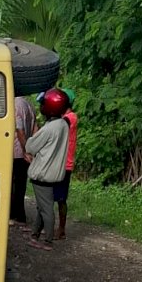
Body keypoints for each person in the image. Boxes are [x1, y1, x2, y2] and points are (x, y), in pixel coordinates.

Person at [24, 88, 70, 251]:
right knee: (43, 207)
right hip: (53, 173)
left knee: (46, 209)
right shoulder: (63, 124)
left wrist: (31, 136)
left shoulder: (50, 128)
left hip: (42, 174)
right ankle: (35, 234)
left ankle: (47, 241)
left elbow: (30, 146)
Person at [54, 88, 78, 239]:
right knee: (50, 197)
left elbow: (60, 126)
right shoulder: (63, 117)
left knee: (61, 199)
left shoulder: (70, 117)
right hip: (57, 162)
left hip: (65, 164)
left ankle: (61, 229)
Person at [10, 94, 36, 224]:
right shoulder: (29, 105)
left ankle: (14, 215)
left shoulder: (15, 104)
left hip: (16, 151)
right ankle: (21, 215)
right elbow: (35, 128)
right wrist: (32, 150)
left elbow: (19, 130)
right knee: (21, 185)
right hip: (26, 152)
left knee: (12, 184)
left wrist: (25, 149)